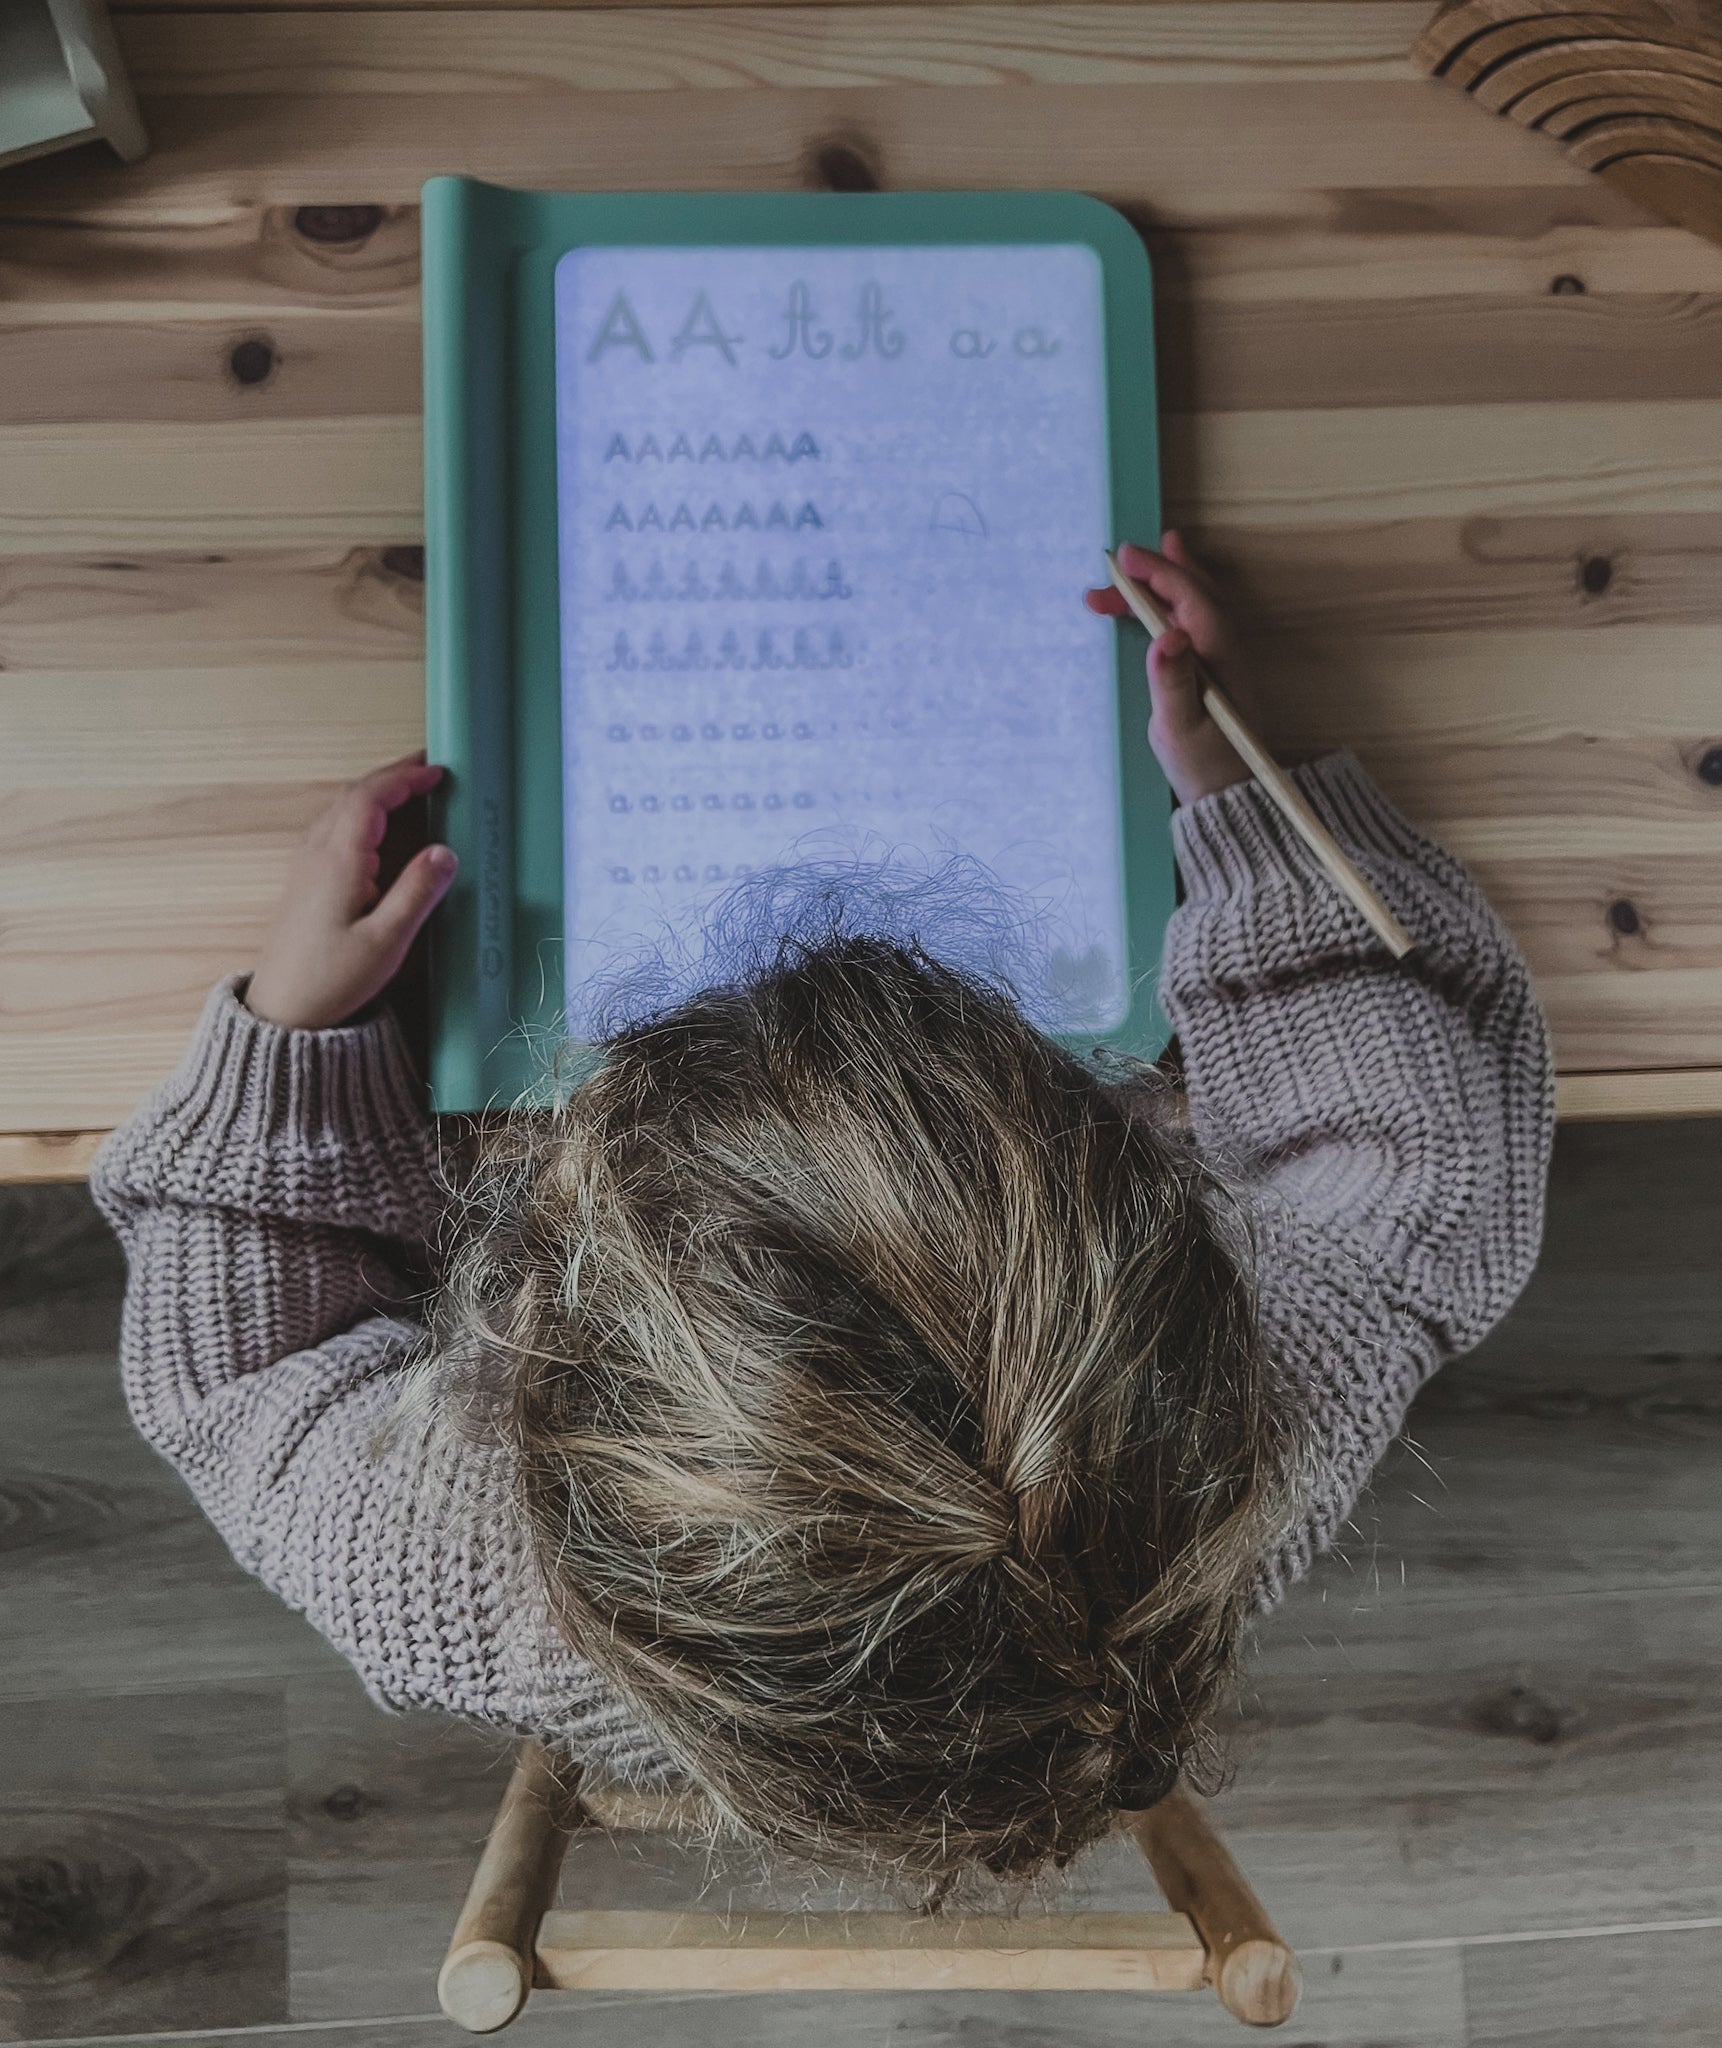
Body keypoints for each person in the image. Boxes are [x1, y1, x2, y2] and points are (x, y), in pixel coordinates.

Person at [91, 536, 1552, 1889]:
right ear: (1148, 1238)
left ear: (548, 1318)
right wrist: (1251, 798)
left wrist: (292, 1040)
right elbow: (1424, 1159)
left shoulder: (457, 1579)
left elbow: (239, 1376)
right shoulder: (1238, 1446)